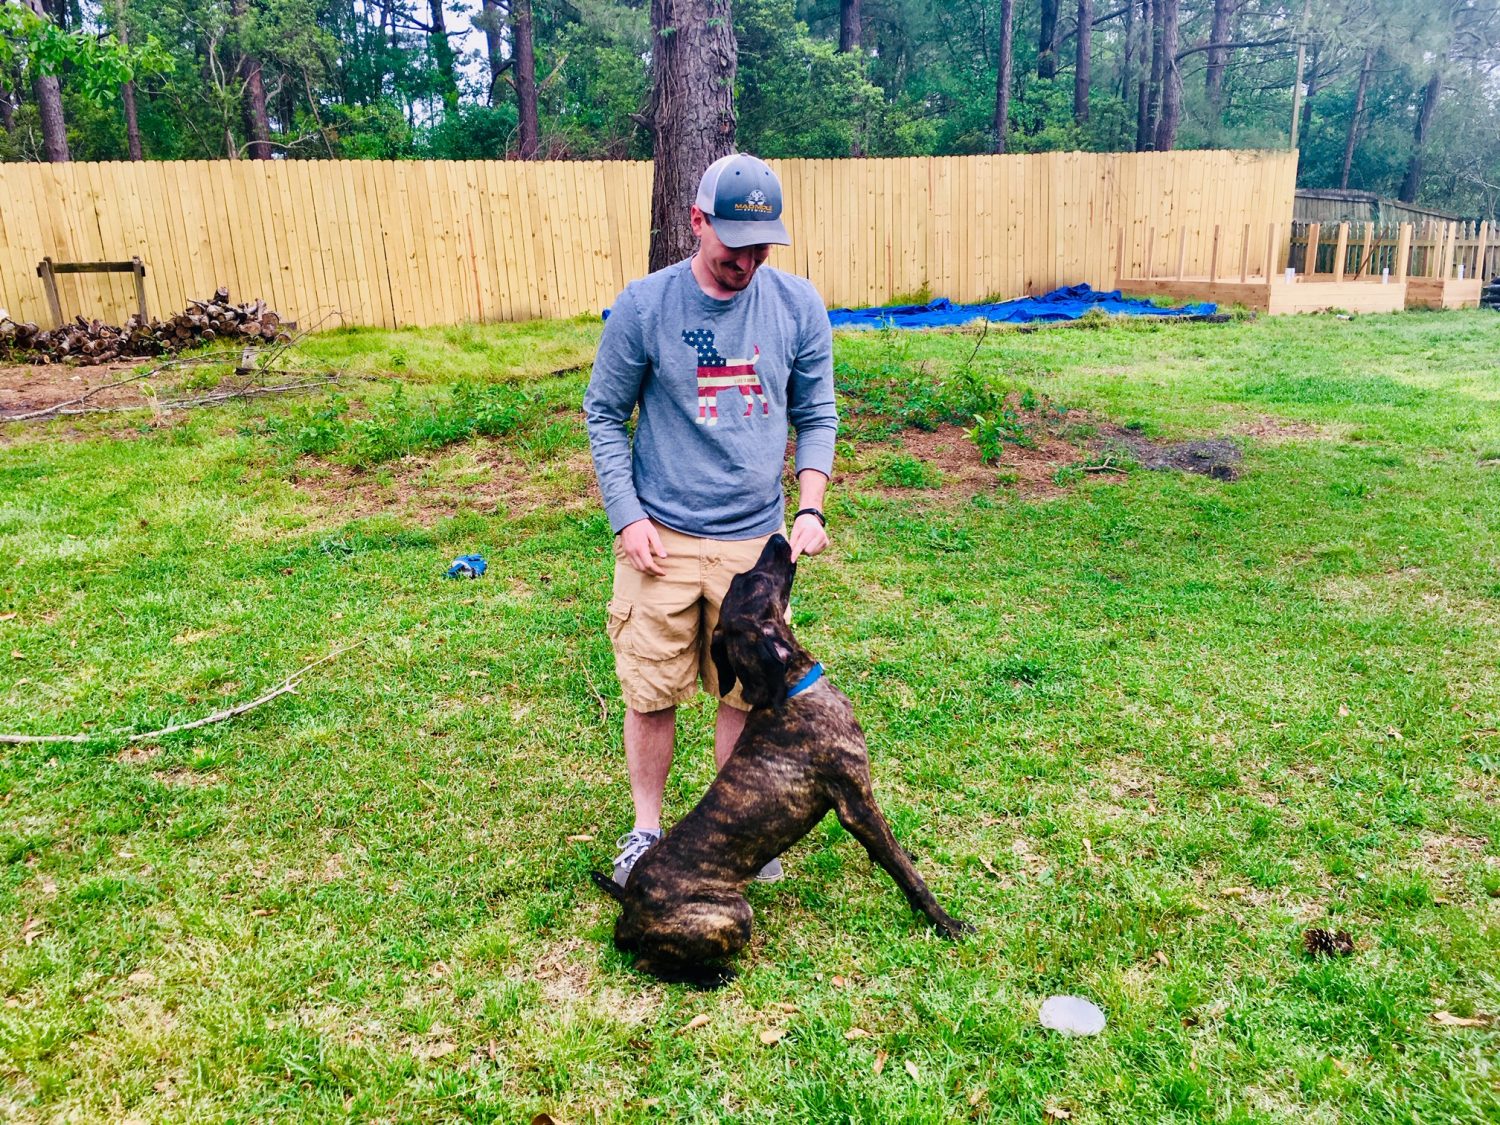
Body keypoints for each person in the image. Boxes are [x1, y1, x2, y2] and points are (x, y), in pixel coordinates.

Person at [584, 152, 839, 886]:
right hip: (659, 538)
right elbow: (603, 413)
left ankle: (733, 826)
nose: (746, 263)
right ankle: (645, 830)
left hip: (752, 544)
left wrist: (811, 502)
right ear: (696, 222)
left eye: (761, 248)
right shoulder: (646, 305)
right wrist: (626, 517)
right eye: (733, 247)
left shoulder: (797, 305)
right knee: (651, 687)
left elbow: (816, 413)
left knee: (744, 693)